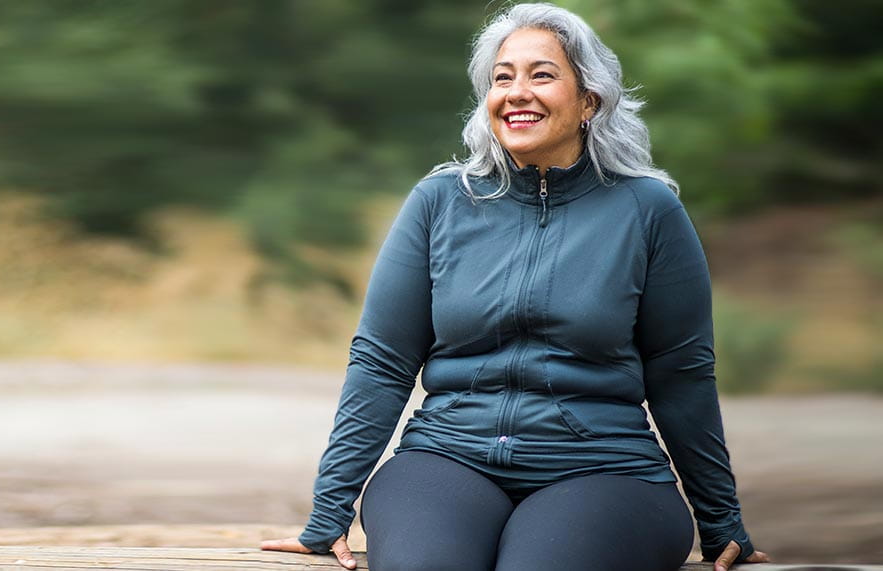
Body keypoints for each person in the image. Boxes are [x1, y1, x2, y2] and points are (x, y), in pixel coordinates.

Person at [257, 4, 772, 571]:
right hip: (447, 458)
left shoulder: (647, 210)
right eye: (503, 77)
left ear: (588, 102)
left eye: (542, 75)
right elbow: (381, 362)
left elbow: (681, 374)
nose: (516, 92)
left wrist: (721, 520)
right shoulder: (440, 202)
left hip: (603, 469)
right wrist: (328, 512)